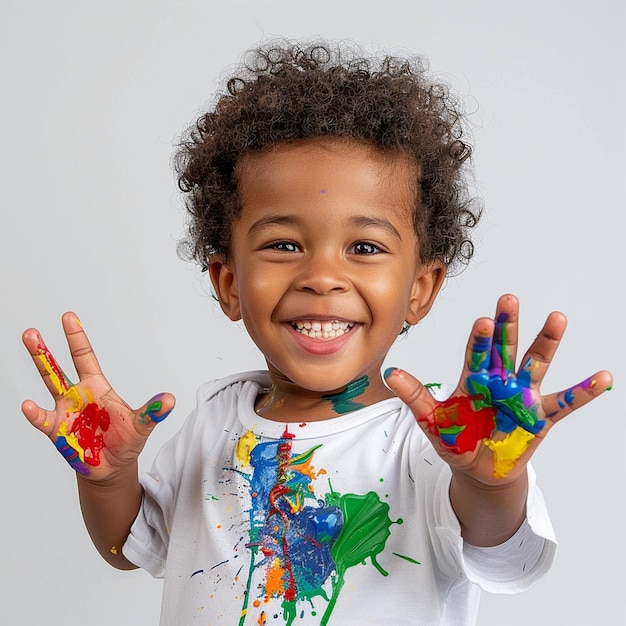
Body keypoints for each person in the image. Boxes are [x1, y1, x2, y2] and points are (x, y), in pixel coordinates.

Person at [21, 39, 612, 625]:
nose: (323, 276)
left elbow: (505, 558)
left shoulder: (435, 440)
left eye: (364, 247)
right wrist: (109, 480)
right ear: (229, 282)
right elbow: (130, 547)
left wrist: (490, 484)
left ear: (420, 289)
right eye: (284, 245)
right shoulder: (213, 420)